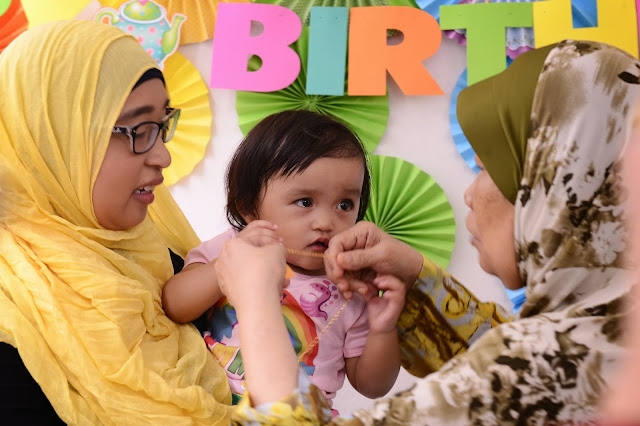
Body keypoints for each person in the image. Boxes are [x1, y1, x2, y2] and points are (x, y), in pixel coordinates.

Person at [216, 39, 640, 424]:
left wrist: (256, 303)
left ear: (556, 186)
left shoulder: (549, 369)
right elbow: (491, 346)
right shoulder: (607, 341)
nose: (470, 193)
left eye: (487, 168)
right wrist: (414, 274)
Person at [0, 20, 234, 424]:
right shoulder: (17, 321)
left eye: (162, 126)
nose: (163, 156)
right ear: (57, 138)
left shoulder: (164, 257)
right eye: (139, 130)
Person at [162, 110, 402, 410]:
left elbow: (373, 386)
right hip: (212, 406)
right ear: (249, 208)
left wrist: (383, 330)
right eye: (305, 202)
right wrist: (222, 267)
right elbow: (174, 304)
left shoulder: (354, 286)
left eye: (344, 204)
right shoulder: (234, 248)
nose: (326, 222)